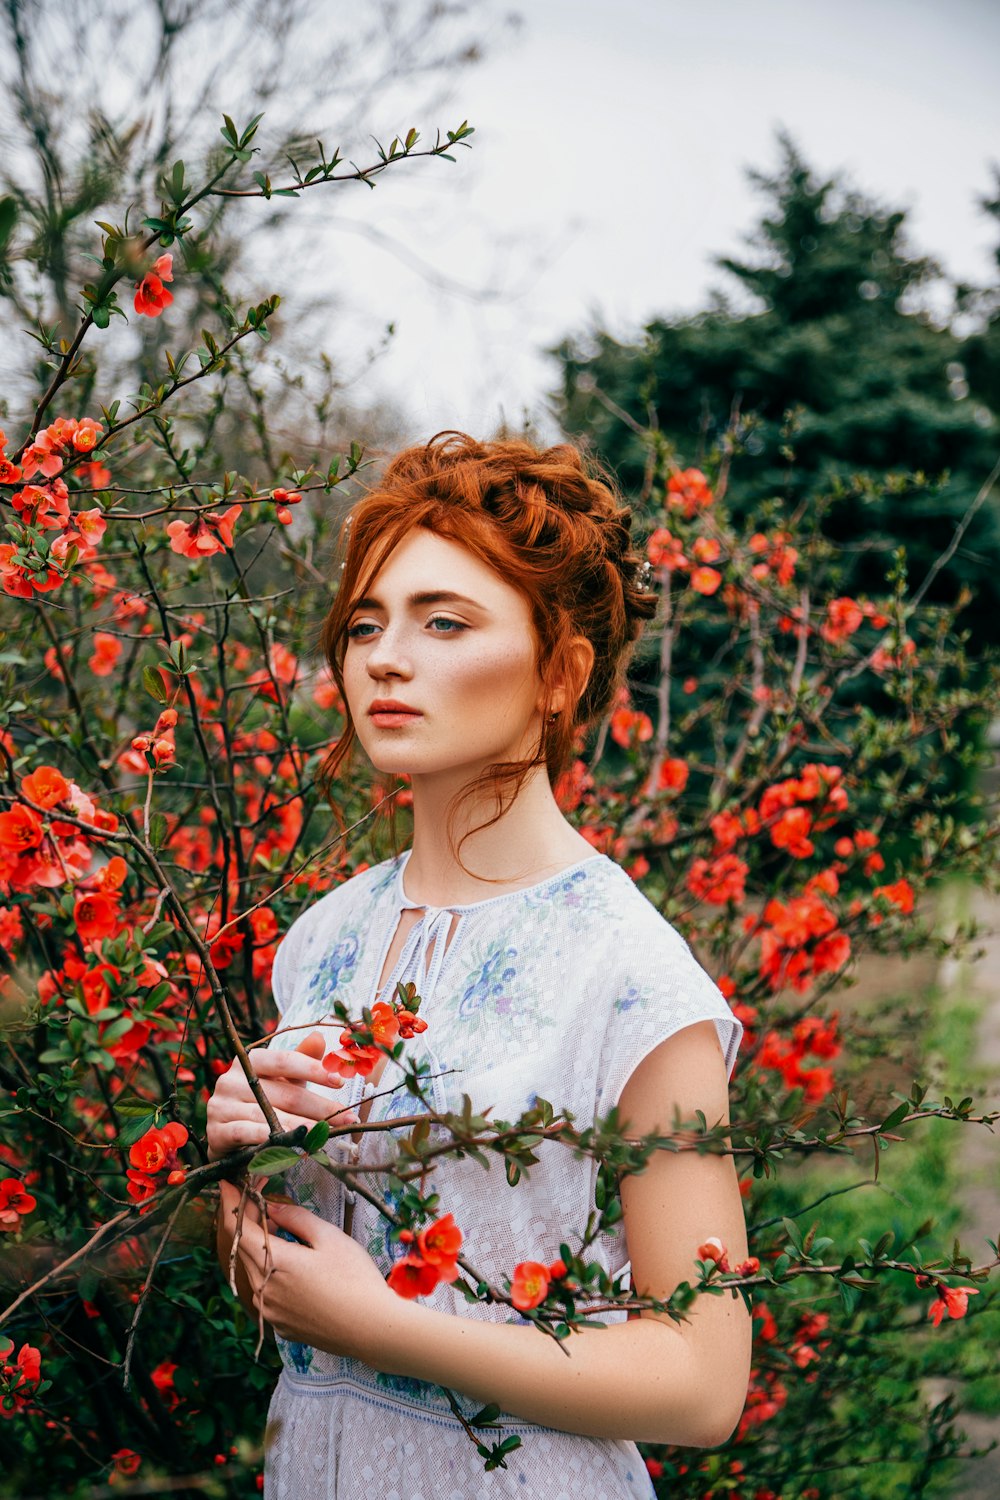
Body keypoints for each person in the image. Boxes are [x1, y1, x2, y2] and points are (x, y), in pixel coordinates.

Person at [208, 432, 752, 1499]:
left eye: (443, 621)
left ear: (560, 675)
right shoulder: (323, 937)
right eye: (366, 624)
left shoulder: (632, 976)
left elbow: (702, 1380)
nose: (384, 658)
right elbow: (292, 1289)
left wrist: (386, 1327)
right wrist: (237, 1173)